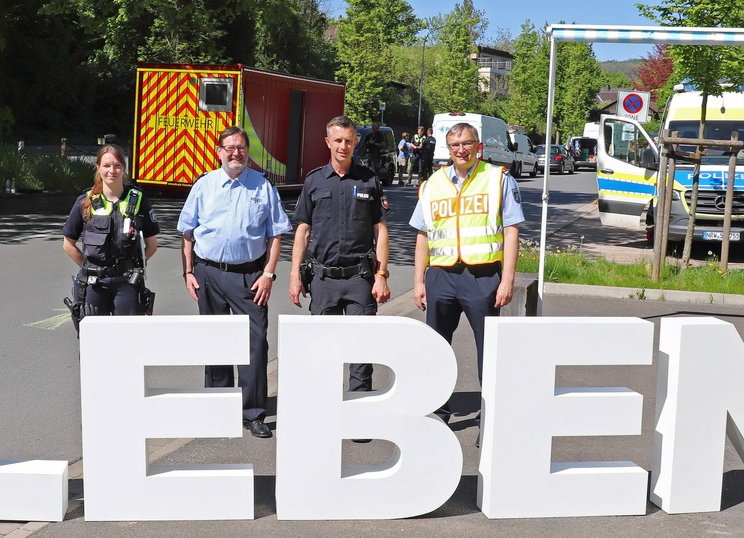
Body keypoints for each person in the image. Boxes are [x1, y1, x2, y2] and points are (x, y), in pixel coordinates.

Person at [178, 126, 292, 439]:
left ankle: (253, 413)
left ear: (246, 152)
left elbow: (276, 234)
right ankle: (218, 410)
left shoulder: (263, 186)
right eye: (229, 148)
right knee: (215, 343)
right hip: (209, 274)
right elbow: (187, 233)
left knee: (255, 345)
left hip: (250, 277)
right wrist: (188, 272)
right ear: (219, 151)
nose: (235, 153)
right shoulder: (204, 185)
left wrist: (268, 274)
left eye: (241, 147)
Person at [411, 122, 524, 423]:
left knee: (488, 351)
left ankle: (492, 417)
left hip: (483, 277)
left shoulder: (497, 179)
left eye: (467, 143)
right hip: (441, 276)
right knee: (436, 349)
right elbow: (422, 234)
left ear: (478, 147)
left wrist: (507, 281)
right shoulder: (432, 184)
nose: (461, 150)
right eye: (455, 145)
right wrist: (419, 280)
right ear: (447, 149)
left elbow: (512, 231)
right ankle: (438, 413)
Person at [289, 116, 390, 423]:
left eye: (348, 140)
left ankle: (357, 417)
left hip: (360, 279)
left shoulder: (369, 180)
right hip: (323, 279)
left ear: (355, 142)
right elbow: (303, 230)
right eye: (338, 140)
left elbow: (381, 231)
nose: (343, 146)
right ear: (328, 142)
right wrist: (295, 274)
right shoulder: (315, 181)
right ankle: (324, 414)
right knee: (323, 350)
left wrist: (381, 275)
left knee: (361, 351)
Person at [62, 144, 159, 324]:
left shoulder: (139, 201)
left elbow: (152, 246)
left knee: (128, 341)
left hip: (127, 285)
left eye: (117, 166)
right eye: (106, 166)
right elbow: (68, 244)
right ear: (98, 168)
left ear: (124, 168)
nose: (111, 171)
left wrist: (133, 267)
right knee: (93, 344)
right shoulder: (85, 201)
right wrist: (88, 267)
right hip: (94, 285)